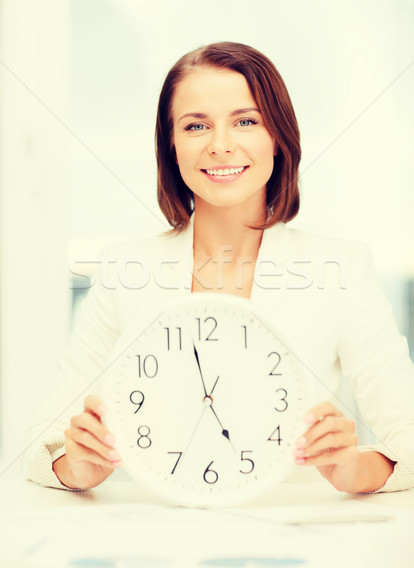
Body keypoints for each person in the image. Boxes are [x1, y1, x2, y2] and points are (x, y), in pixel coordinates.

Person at [22, 42, 414, 494]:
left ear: (277, 137)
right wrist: (76, 466)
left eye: (246, 121)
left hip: (297, 536)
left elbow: (407, 442)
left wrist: (354, 469)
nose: (221, 145)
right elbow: (42, 445)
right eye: (196, 126)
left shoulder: (341, 268)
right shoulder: (123, 270)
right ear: (171, 144)